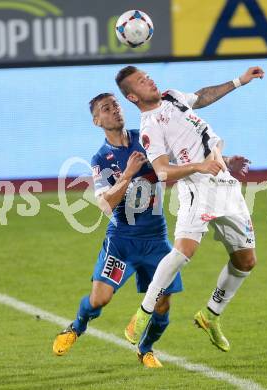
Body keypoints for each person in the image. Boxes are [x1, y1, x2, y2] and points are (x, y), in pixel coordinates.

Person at [115, 65, 264, 352]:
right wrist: (199, 166)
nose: (149, 80)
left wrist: (238, 81)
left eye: (147, 76)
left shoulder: (171, 96)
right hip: (198, 187)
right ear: (133, 97)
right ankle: (143, 313)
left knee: (246, 261)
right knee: (184, 251)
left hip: (224, 183)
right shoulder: (149, 127)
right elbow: (161, 171)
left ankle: (210, 314)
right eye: (141, 82)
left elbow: (201, 97)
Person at [52, 92, 183, 368]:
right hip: (122, 242)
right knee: (99, 299)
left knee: (163, 306)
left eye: (116, 105)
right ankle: (76, 327)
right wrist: (127, 173)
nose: (114, 111)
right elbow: (105, 204)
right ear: (96, 121)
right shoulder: (101, 158)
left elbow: (180, 155)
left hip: (156, 240)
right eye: (106, 108)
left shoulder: (147, 138)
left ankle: (145, 349)